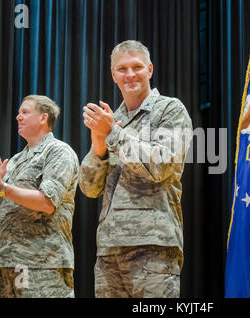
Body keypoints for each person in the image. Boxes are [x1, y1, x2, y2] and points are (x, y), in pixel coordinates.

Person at [79, 40, 192, 298]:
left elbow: (162, 166)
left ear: (149, 69)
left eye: (137, 67)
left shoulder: (170, 109)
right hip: (109, 249)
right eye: (122, 69)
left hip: (153, 247)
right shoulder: (113, 119)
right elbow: (89, 188)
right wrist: (98, 144)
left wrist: (113, 134)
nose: (130, 74)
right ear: (113, 74)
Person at [0, 95, 79, 298]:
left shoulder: (58, 151)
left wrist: (2, 187)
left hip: (42, 263)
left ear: (43, 118)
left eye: (25, 112)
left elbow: (47, 202)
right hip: (8, 262)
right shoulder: (14, 160)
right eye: (19, 112)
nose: (17, 117)